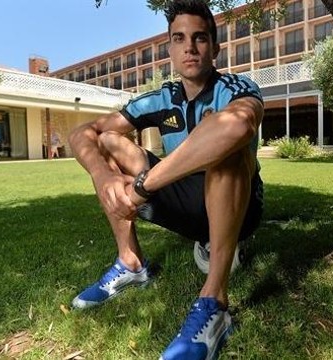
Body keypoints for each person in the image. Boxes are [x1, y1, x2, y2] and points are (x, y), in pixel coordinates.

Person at [68, 1, 264, 359]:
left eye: (200, 38)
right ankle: (130, 263)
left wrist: (142, 187)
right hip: (186, 199)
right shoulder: (161, 99)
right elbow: (84, 132)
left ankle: (214, 302)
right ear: (170, 48)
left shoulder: (236, 87)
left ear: (215, 48)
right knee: (109, 143)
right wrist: (102, 175)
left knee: (226, 146)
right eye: (180, 38)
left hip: (239, 204)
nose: (190, 47)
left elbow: (238, 124)